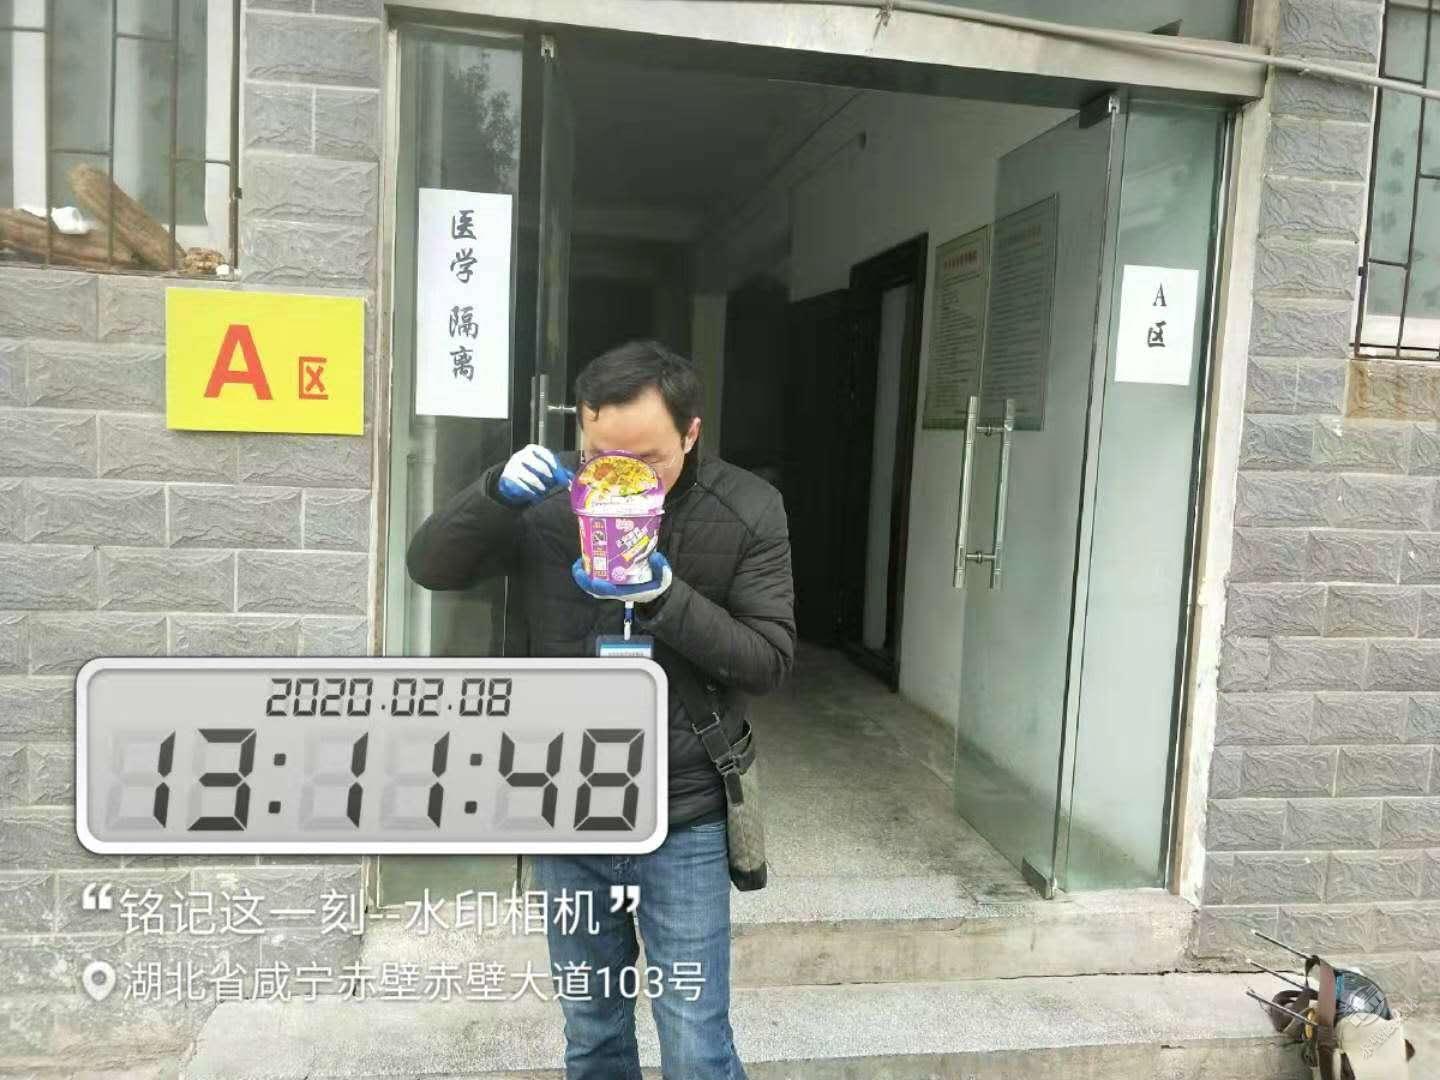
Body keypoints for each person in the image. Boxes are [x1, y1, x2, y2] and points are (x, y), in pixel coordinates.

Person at [405, 339, 796, 1079]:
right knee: (591, 1033)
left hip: (683, 812)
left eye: (646, 461)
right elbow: (430, 566)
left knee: (696, 1041)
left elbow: (767, 660)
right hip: (565, 803)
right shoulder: (548, 500)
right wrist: (491, 493)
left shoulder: (747, 508)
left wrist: (663, 596)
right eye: (599, 457)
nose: (620, 478)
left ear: (691, 433)